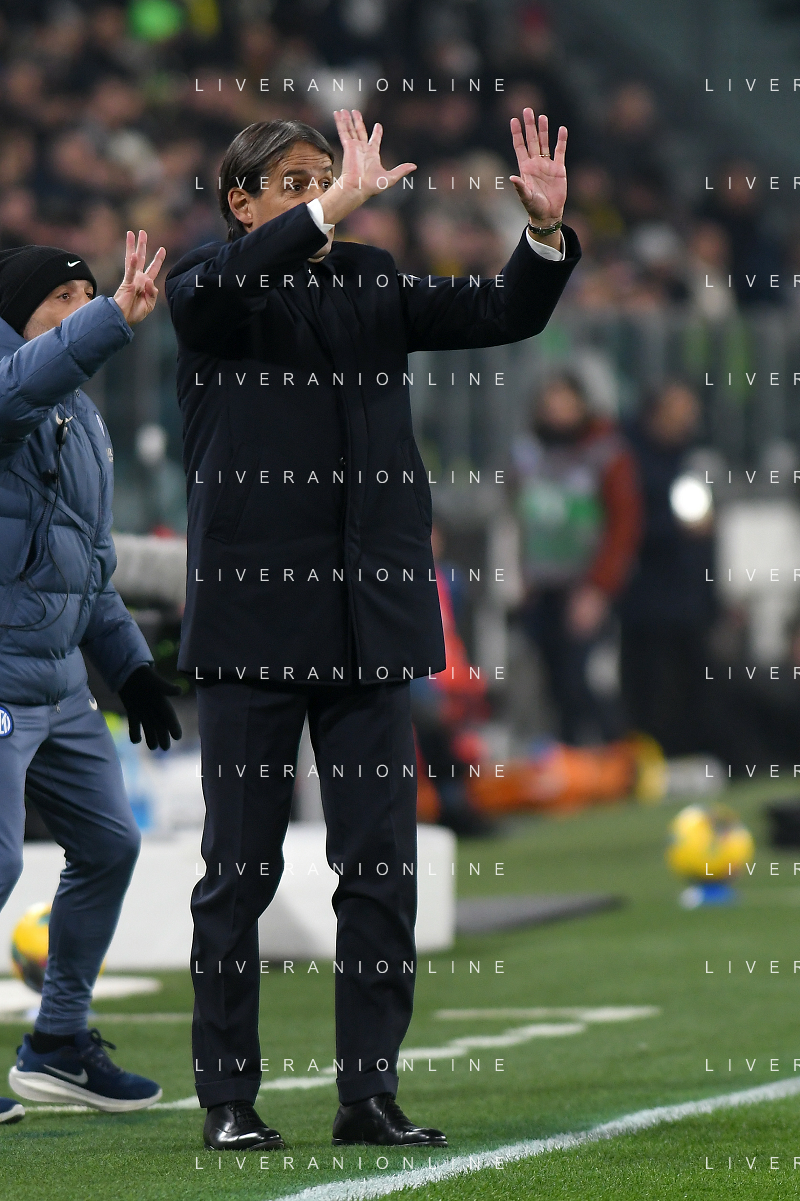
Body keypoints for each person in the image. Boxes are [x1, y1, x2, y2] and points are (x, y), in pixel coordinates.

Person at [165, 107, 580, 1152]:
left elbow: (502, 312)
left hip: (366, 626)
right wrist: (325, 211)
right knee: (239, 873)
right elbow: (219, 295)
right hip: (256, 628)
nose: (324, 194)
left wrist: (539, 233)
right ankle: (227, 1099)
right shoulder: (208, 286)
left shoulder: (370, 277)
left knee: (382, 872)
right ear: (241, 203)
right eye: (297, 182)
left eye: (329, 176)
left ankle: (368, 1094)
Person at [0, 232, 182, 1123]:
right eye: (61, 300)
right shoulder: (14, 388)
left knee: (110, 844)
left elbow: (89, 566)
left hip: (60, 679)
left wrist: (132, 669)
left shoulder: (84, 418)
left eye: (87, 296)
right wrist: (110, 315)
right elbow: (19, 388)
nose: (79, 311)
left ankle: (59, 1042)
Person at [512, 373, 641, 745]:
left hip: (586, 586)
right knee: (552, 686)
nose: (556, 411)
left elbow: (624, 524)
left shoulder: (605, 453)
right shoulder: (528, 455)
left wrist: (598, 588)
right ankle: (570, 762)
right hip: (542, 586)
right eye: (548, 403)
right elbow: (517, 519)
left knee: (586, 681)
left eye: (564, 402)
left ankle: (615, 756)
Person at [619, 380, 716, 755]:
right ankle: (651, 760)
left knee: (694, 687)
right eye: (679, 412)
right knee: (650, 689)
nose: (687, 420)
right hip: (645, 601)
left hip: (689, 601)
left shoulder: (692, 457)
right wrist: (675, 527)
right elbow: (625, 525)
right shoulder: (628, 458)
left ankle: (692, 754)